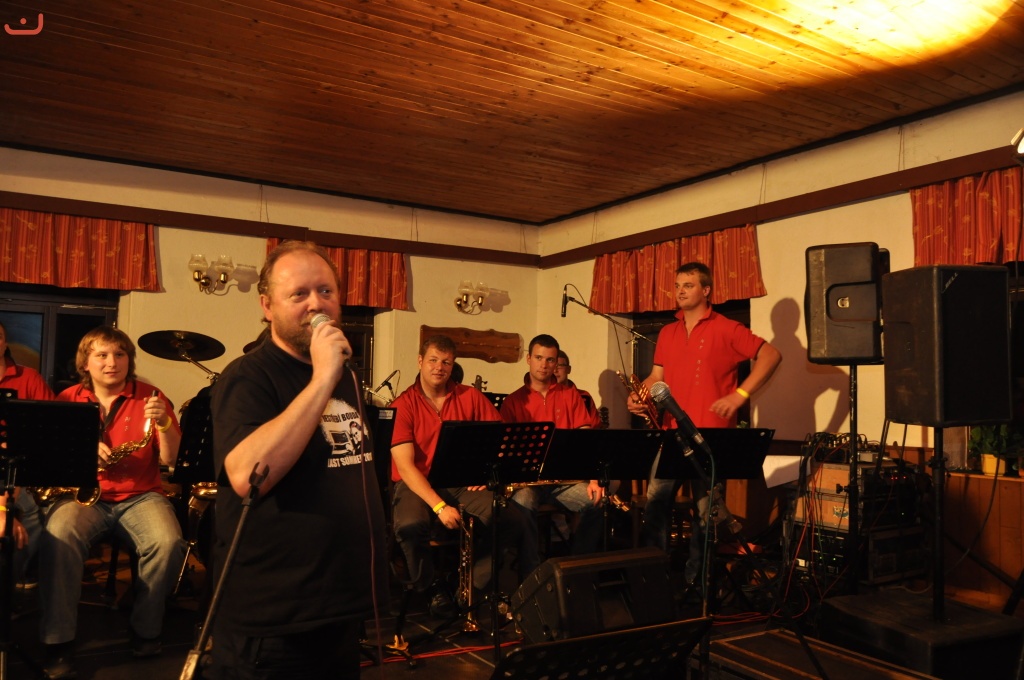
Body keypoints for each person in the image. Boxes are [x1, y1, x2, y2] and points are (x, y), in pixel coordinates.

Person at [207, 240, 387, 680]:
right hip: (276, 619)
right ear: (267, 306)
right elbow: (248, 476)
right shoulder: (248, 377)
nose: (316, 304)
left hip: (338, 607)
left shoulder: (343, 375)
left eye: (326, 291)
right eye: (299, 294)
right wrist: (322, 377)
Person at [41, 326, 185, 679]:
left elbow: (171, 460)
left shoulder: (152, 397)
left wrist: (165, 422)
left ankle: (146, 629)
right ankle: (59, 640)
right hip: (84, 495)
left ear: (129, 360)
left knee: (168, 543)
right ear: (85, 363)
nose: (112, 362)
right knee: (58, 537)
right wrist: (83, 450)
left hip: (141, 495)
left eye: (120, 354)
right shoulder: (67, 399)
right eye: (102, 355)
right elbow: (51, 458)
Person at [628, 262, 781, 585]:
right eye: (677, 285)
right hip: (672, 433)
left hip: (711, 437)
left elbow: (770, 355)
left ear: (706, 290)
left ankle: (697, 583)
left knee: (705, 515)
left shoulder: (726, 328)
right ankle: (653, 579)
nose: (680, 291)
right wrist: (640, 395)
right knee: (656, 505)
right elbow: (657, 376)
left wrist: (740, 395)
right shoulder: (668, 332)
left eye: (688, 285)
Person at [390, 335, 537, 611]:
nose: (439, 367)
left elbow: (499, 440)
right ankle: (430, 588)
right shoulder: (403, 405)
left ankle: (469, 585)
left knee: (511, 520)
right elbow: (406, 467)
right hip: (416, 484)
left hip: (458, 481)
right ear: (420, 361)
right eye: (433, 360)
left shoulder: (470, 396)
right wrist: (439, 506)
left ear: (453, 365)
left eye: (446, 362)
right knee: (410, 526)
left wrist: (483, 474)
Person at [500, 335, 609, 555]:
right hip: (528, 484)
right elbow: (503, 449)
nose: (544, 365)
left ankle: (576, 566)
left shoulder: (570, 395)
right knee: (523, 505)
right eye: (538, 358)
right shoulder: (513, 401)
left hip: (563, 481)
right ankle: (531, 571)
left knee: (599, 501)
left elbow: (585, 440)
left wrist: (594, 479)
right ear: (528, 359)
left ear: (556, 363)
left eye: (550, 360)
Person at [0, 318, 51, 586]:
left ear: (5, 343)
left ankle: (18, 574)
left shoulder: (29, 377)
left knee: (33, 514)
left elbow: (49, 423)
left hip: (17, 464)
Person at [553, 349, 600, 425]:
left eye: (559, 366)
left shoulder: (584, 397)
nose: (555, 370)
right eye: (552, 367)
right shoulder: (545, 396)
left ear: (568, 369)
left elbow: (594, 425)